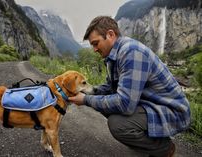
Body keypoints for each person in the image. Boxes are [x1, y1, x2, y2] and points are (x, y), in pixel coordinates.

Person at [68, 16, 191, 157]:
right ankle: (150, 141)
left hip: (172, 110)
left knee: (118, 124)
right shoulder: (113, 56)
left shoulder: (131, 52)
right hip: (149, 104)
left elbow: (125, 104)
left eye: (96, 43)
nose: (94, 49)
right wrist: (87, 91)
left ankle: (164, 149)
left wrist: (85, 100)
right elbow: (110, 87)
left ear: (110, 34)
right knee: (106, 105)